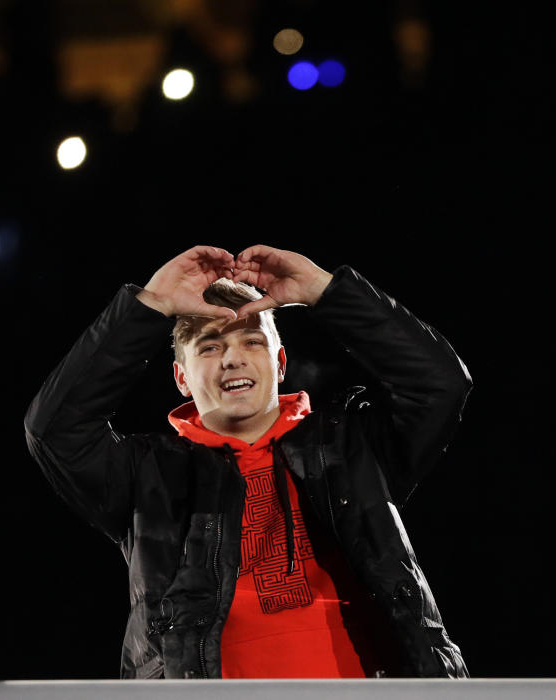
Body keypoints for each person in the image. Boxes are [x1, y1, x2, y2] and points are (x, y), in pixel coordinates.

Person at [24, 244, 473, 679]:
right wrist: (152, 303)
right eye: (209, 347)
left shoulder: (353, 446)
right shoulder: (148, 477)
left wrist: (324, 289)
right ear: (182, 378)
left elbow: (440, 384)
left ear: (279, 363)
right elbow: (55, 429)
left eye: (251, 341)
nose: (233, 358)